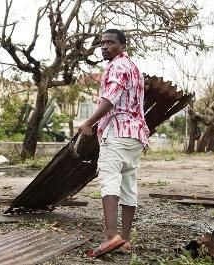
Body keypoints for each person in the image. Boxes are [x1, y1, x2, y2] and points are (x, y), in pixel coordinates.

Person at [78, 29, 149, 257]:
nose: (104, 46)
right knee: (128, 183)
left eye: (110, 42)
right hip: (135, 134)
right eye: (102, 43)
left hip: (117, 132)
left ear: (122, 45)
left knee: (109, 179)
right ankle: (124, 240)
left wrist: (89, 122)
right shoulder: (134, 68)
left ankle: (110, 237)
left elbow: (111, 98)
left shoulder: (117, 66)